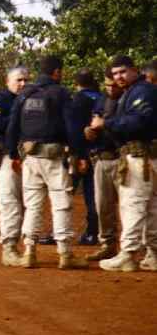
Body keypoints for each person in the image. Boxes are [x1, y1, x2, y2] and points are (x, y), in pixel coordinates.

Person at [5, 55, 88, 270]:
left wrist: (13, 154)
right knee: (61, 204)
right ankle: (64, 254)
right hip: (54, 158)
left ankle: (29, 253)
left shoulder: (25, 94)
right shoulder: (60, 93)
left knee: (32, 206)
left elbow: (12, 126)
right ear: (57, 72)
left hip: (30, 158)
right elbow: (72, 127)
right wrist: (79, 154)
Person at [88, 55, 157, 272]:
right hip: (144, 157)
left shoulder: (142, 91)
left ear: (135, 70)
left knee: (133, 205)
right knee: (151, 208)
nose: (119, 76)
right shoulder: (133, 92)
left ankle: (128, 254)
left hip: (140, 157)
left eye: (123, 71)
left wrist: (105, 123)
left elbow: (138, 121)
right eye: (115, 73)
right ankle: (153, 254)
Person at [0, 66, 28, 266]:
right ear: (8, 81)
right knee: (9, 201)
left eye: (25, 80)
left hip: (28, 157)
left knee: (28, 203)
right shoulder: (0, 100)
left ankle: (27, 246)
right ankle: (9, 247)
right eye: (18, 80)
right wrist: (21, 117)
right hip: (6, 156)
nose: (22, 84)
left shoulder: (30, 98)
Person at [83, 68, 124, 261]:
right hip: (101, 158)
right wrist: (89, 131)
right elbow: (94, 121)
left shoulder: (128, 99)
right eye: (107, 84)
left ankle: (130, 248)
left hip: (123, 158)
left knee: (129, 206)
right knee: (103, 206)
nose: (110, 88)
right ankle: (108, 244)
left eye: (113, 84)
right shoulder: (101, 99)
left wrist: (106, 124)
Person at [70, 69, 101, 245]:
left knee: (66, 193)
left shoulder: (77, 100)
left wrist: (78, 155)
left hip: (80, 155)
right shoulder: (101, 97)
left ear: (77, 83)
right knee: (93, 195)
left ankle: (61, 232)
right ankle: (93, 233)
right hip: (99, 154)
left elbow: (74, 131)